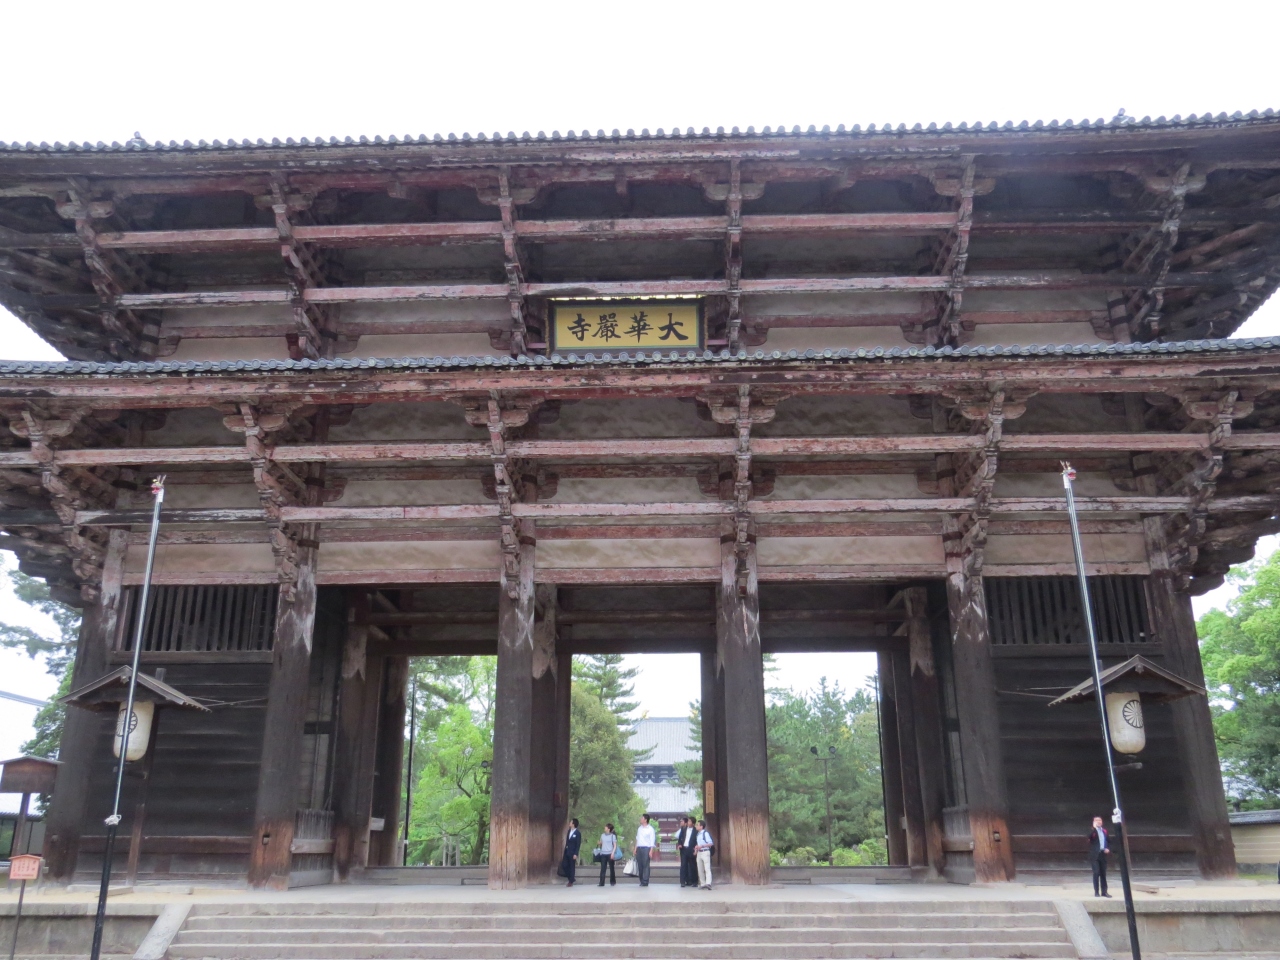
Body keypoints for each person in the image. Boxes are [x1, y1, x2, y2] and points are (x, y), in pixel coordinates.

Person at [1088, 815, 1111, 898]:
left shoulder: (1104, 831)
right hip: (1095, 855)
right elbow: (1089, 837)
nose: (1098, 822)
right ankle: (1096, 891)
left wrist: (1108, 848)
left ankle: (1104, 891)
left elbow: (1108, 841)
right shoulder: (1092, 831)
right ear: (1093, 822)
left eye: (1100, 820)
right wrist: (1094, 828)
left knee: (1103, 873)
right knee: (1096, 872)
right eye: (1096, 820)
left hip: (1102, 854)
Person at [634, 813, 656, 887]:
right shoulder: (639, 828)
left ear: (645, 820)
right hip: (639, 848)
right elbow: (637, 839)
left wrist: (651, 851)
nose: (640, 819)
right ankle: (641, 880)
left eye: (642, 818)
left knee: (645, 865)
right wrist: (635, 848)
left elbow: (652, 840)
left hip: (646, 848)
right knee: (640, 865)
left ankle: (645, 881)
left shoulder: (650, 829)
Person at [675, 816, 697, 887]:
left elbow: (697, 841)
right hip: (684, 849)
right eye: (688, 821)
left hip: (691, 849)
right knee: (683, 865)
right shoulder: (683, 829)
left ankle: (694, 881)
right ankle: (682, 881)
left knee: (692, 866)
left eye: (690, 821)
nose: (688, 822)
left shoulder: (696, 831)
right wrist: (680, 844)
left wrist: (695, 849)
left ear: (693, 823)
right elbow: (680, 838)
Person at [562, 817, 581, 887]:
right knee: (564, 865)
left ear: (573, 824)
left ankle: (570, 881)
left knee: (572, 866)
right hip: (567, 851)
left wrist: (576, 853)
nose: (569, 823)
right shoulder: (569, 831)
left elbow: (578, 844)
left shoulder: (577, 833)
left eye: (571, 822)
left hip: (573, 852)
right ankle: (571, 878)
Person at [695, 819, 714, 889]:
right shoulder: (698, 834)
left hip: (705, 851)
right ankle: (702, 883)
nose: (696, 826)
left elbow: (710, 843)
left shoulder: (705, 833)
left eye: (697, 825)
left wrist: (702, 846)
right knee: (700, 869)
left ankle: (708, 883)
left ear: (701, 826)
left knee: (707, 868)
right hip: (699, 852)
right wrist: (696, 850)